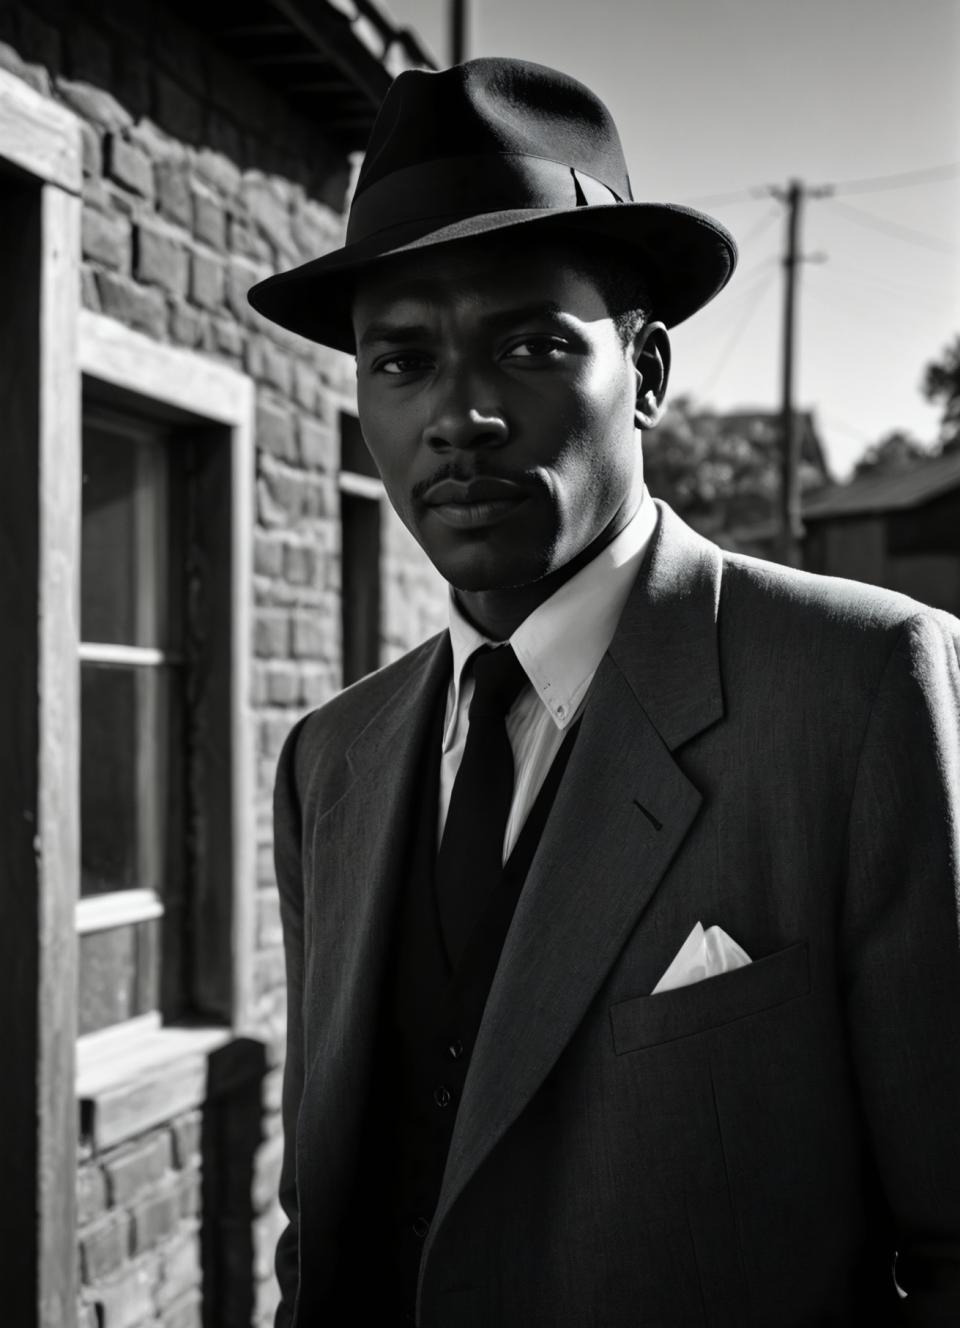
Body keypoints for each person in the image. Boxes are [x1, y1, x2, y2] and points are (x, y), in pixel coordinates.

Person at [249, 58, 960, 1328]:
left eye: (528, 344)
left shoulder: (861, 689)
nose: (458, 414)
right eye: (401, 361)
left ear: (646, 371)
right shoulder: (330, 759)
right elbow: (329, 1215)